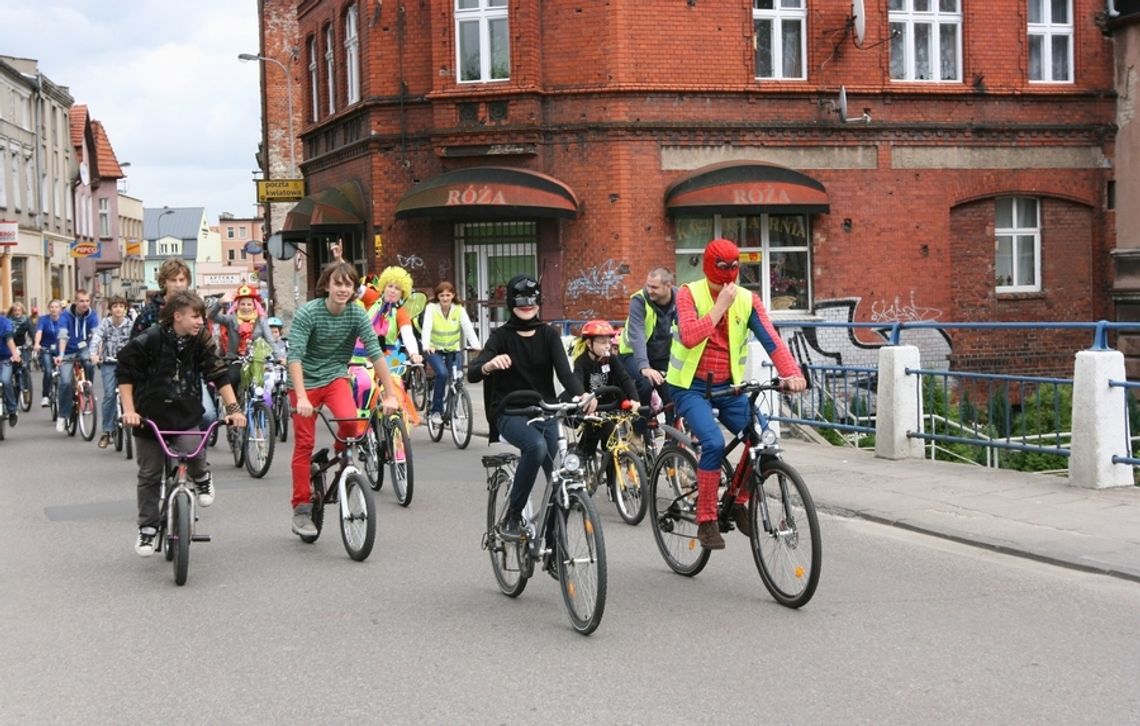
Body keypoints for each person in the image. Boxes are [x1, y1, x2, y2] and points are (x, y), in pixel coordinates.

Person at [668, 238, 807, 550]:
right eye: (723, 267)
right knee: (714, 443)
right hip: (689, 387)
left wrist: (792, 373)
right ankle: (706, 520)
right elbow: (689, 337)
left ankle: (740, 499)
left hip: (729, 388)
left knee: (763, 439)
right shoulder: (689, 294)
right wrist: (719, 307)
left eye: (734, 267)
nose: (730, 274)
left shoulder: (748, 300)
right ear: (709, 266)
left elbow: (772, 340)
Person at [116, 290, 246, 556]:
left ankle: (201, 477)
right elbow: (125, 373)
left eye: (201, 316)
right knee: (150, 474)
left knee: (193, 450)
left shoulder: (200, 340)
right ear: (177, 316)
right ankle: (148, 529)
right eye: (195, 316)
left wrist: (234, 410)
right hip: (148, 416)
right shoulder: (149, 339)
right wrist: (129, 411)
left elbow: (219, 374)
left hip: (185, 413)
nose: (201, 321)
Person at [468, 274, 592, 540]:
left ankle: (552, 544)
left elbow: (567, 375)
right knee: (535, 447)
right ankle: (513, 516)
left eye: (532, 301)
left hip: (545, 410)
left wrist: (583, 396)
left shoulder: (548, 334)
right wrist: (489, 365)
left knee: (560, 479)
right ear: (510, 303)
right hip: (510, 412)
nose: (527, 306)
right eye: (521, 301)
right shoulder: (501, 337)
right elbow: (474, 372)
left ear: (539, 303)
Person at [288, 261, 400, 538]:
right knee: (304, 443)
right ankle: (301, 507)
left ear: (353, 289)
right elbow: (295, 357)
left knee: (351, 424)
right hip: (304, 382)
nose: (342, 289)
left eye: (348, 284)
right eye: (337, 283)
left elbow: (375, 353)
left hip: (336, 375)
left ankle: (341, 454)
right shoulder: (309, 313)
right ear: (327, 285)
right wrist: (301, 396)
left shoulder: (356, 314)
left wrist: (391, 395)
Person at [568, 319, 640, 464]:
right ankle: (580, 464)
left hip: (611, 406)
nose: (607, 346)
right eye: (602, 342)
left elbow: (624, 379)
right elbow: (577, 381)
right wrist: (584, 397)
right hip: (592, 409)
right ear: (589, 343)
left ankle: (612, 484)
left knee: (612, 447)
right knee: (589, 445)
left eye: (609, 342)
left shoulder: (612, 359)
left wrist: (634, 399)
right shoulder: (581, 362)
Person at [618, 267, 678, 436]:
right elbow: (636, 334)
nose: (649, 290)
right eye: (648, 285)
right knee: (644, 383)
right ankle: (638, 432)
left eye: (654, 287)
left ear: (668, 285)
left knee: (672, 391)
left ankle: (672, 443)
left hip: (662, 356)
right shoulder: (639, 300)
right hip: (632, 354)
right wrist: (644, 366)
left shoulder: (681, 298)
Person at [420, 281, 480, 426]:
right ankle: (436, 410)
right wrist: (427, 345)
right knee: (442, 374)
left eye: (448, 295)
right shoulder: (431, 308)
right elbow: (426, 327)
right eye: (442, 295)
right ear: (437, 297)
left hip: (453, 349)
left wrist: (476, 345)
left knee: (457, 378)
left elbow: (467, 327)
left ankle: (455, 411)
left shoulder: (458, 309)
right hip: (434, 349)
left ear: (453, 295)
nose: (445, 298)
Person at [210, 283, 275, 391]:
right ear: (237, 305)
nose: (246, 307)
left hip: (256, 360)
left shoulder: (261, 321)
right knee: (232, 379)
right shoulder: (231, 320)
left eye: (249, 304)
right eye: (242, 304)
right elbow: (211, 316)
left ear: (255, 305)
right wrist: (219, 303)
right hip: (236, 359)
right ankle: (233, 405)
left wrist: (280, 357)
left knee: (265, 383)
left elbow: (270, 340)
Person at [90, 295, 133, 448]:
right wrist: (94, 354)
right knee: (109, 394)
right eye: (115, 306)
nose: (118, 309)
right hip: (109, 363)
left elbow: (138, 341)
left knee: (133, 392)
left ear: (125, 309)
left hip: (127, 363)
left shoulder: (131, 325)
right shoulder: (105, 323)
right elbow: (96, 338)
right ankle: (107, 431)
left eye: (121, 306)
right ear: (110, 310)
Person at [55, 290, 99, 434]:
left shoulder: (92, 314)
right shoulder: (65, 316)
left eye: (87, 300)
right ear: (75, 302)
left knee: (89, 363)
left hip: (83, 348)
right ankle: (62, 415)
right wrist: (61, 355)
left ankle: (88, 389)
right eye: (81, 301)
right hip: (67, 350)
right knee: (66, 382)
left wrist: (95, 353)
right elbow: (62, 336)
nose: (85, 304)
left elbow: (97, 335)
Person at [33, 299, 62, 407]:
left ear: (60, 309)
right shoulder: (43, 319)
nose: (54, 309)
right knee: (48, 371)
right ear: (49, 308)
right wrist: (37, 344)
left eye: (56, 307)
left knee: (65, 373)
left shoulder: (64, 319)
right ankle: (45, 396)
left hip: (61, 350)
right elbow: (39, 332)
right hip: (46, 349)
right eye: (52, 307)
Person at [0, 310, 21, 426]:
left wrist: (15, 354)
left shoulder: (5, 322)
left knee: (5, 380)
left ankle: (12, 411)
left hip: (5, 359)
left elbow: (8, 338)